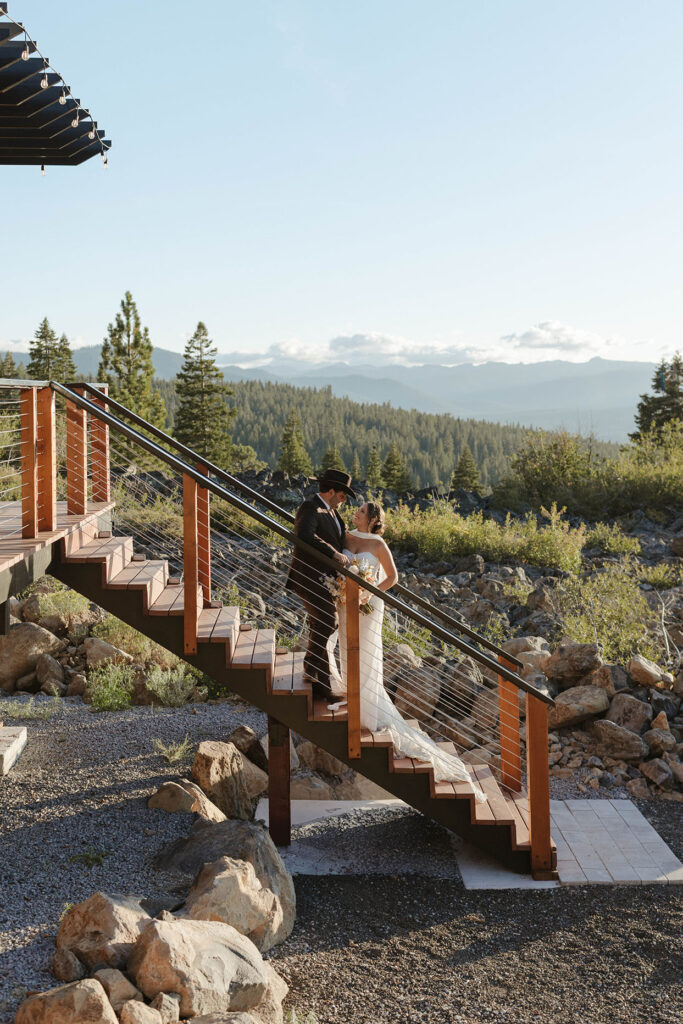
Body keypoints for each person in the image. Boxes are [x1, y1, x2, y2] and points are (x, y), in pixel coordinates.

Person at [331, 500, 485, 799]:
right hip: (344, 602)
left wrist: (368, 592)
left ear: (373, 519)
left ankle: (367, 710)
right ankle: (352, 698)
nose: (356, 513)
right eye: (358, 510)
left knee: (366, 651)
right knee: (347, 650)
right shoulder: (346, 537)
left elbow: (392, 577)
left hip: (368, 605)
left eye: (361, 511)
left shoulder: (378, 545)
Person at [285, 469, 354, 700]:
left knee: (322, 623)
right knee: (327, 621)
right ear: (332, 491)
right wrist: (333, 554)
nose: (344, 500)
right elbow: (305, 535)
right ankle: (323, 686)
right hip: (307, 576)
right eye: (343, 495)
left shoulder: (334, 514)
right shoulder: (310, 507)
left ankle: (310, 665)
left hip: (324, 580)